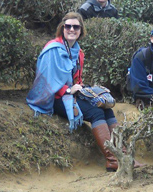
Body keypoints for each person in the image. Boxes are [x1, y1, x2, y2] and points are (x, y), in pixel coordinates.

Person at [26, 12, 119, 171]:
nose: (71, 29)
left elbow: (77, 79)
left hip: (71, 94)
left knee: (106, 109)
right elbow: (45, 80)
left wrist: (83, 88)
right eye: (68, 26)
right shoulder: (53, 49)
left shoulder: (78, 52)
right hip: (52, 97)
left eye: (75, 27)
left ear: (81, 30)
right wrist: (68, 89)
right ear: (62, 28)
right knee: (96, 113)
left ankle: (123, 154)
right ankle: (112, 159)